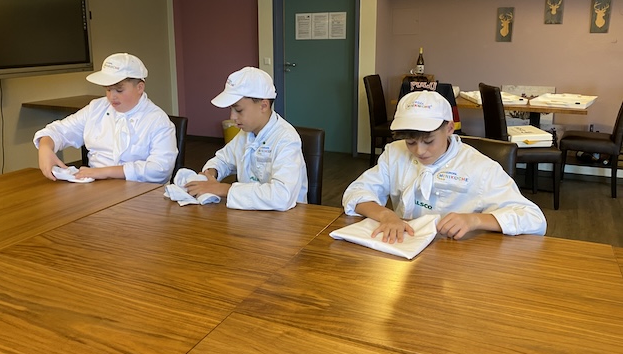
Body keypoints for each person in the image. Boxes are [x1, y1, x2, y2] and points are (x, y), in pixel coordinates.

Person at [342, 90, 546, 243]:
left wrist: (475, 220)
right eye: (410, 142)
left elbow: (534, 219)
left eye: (428, 141)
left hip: (457, 254)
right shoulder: (395, 153)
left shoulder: (479, 167)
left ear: (449, 128)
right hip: (405, 246)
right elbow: (356, 193)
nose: (419, 151)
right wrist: (387, 215)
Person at [34, 52, 177, 183]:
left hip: (141, 192)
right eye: (108, 89)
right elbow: (59, 130)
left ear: (140, 87)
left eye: (119, 90)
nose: (111, 96)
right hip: (97, 188)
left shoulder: (157, 120)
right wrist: (45, 148)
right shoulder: (96, 108)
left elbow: (160, 169)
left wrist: (105, 172)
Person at [185, 66, 308, 211]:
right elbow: (223, 159)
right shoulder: (246, 133)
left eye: (239, 110)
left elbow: (281, 197)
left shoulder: (286, 139)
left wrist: (223, 189)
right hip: (250, 214)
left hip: (286, 218)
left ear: (263, 106)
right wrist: (212, 172)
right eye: (231, 109)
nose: (232, 117)